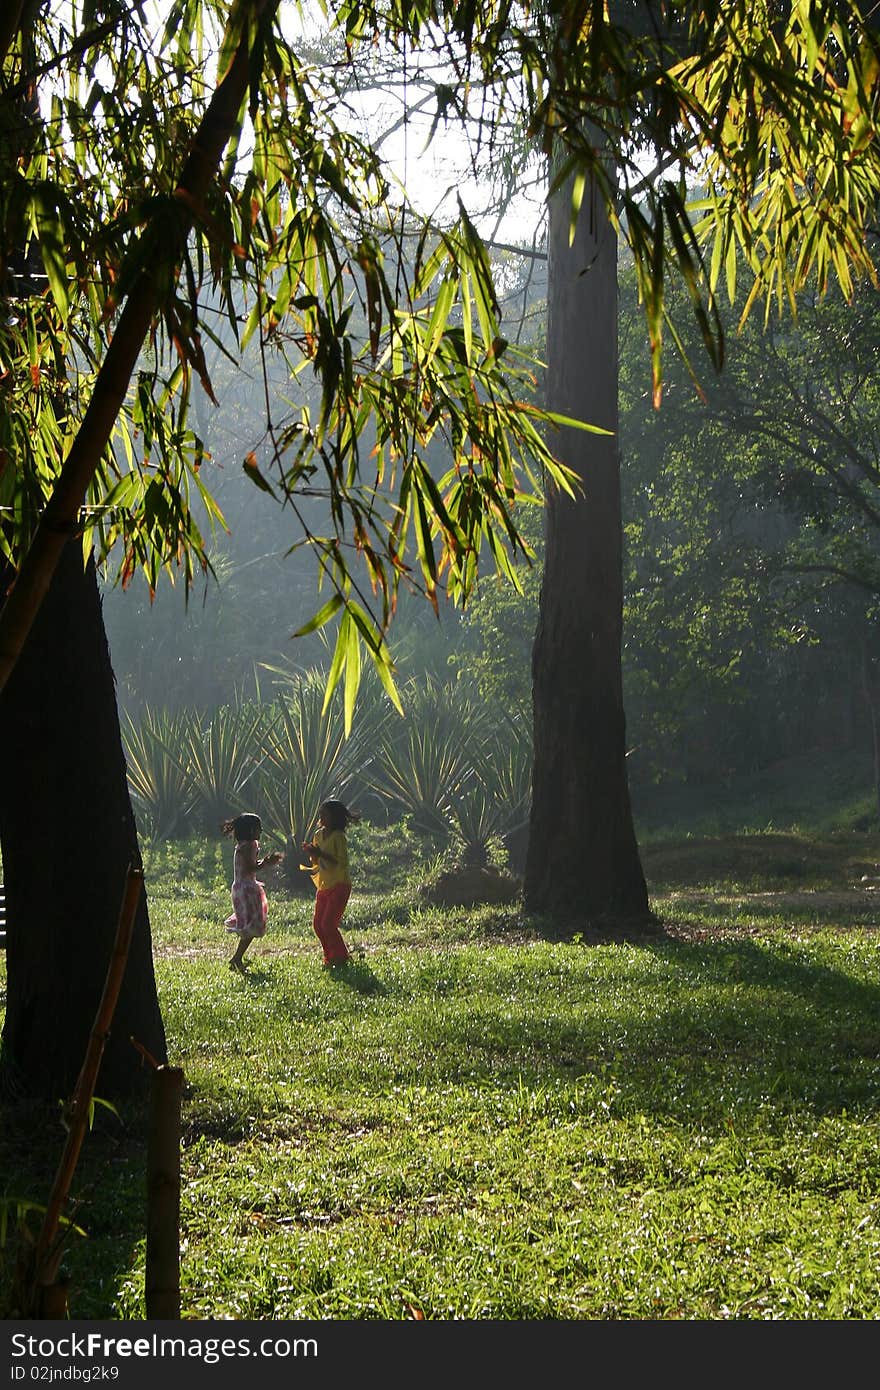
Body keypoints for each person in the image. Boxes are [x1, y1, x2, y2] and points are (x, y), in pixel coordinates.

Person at [222, 812, 282, 974]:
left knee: (250, 925)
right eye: (258, 828)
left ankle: (238, 957)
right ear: (250, 830)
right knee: (252, 925)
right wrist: (267, 863)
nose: (261, 831)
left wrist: (264, 862)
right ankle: (237, 958)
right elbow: (251, 867)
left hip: (239, 888)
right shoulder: (250, 845)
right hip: (248, 889)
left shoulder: (242, 844)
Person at [302, 799, 360, 967]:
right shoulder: (318, 834)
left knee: (328, 924)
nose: (321, 817)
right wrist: (312, 853)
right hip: (324, 885)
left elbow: (341, 862)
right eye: (321, 814)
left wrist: (320, 853)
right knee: (318, 925)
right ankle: (329, 956)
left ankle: (341, 957)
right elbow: (315, 860)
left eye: (325, 815)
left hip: (339, 885)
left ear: (335, 818)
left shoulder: (338, 837)